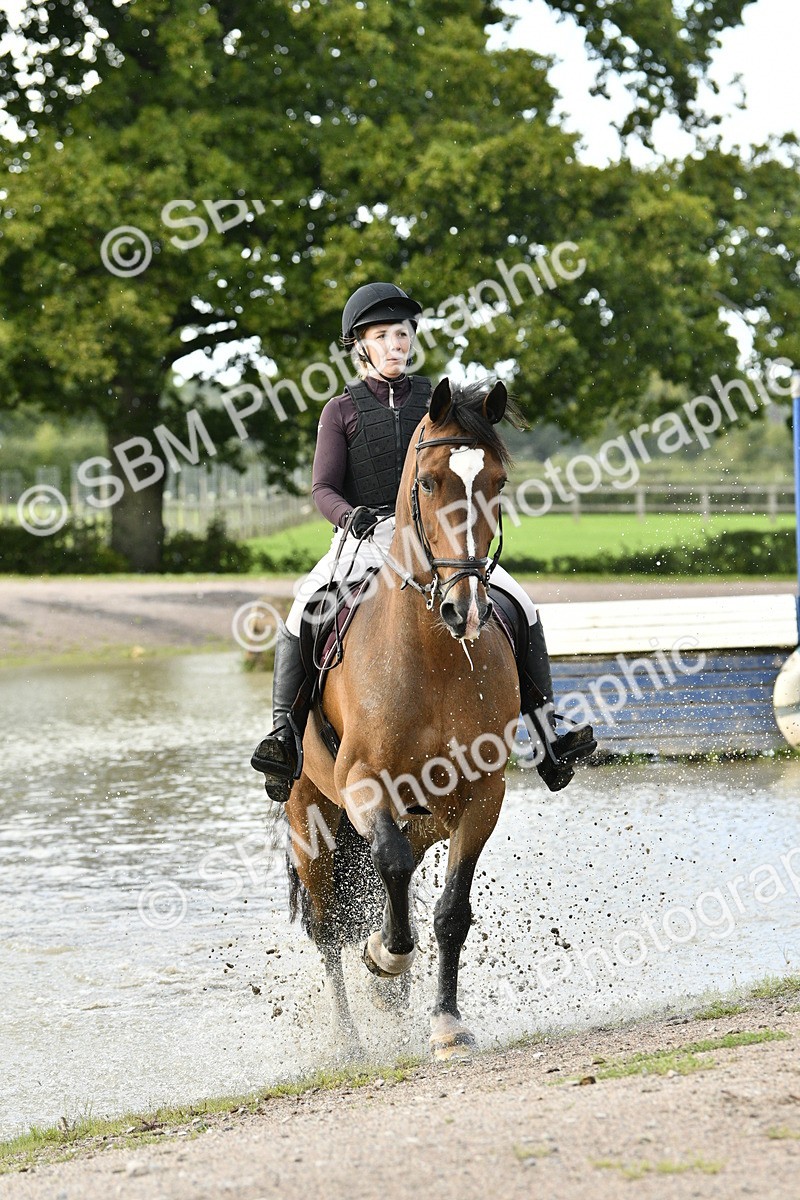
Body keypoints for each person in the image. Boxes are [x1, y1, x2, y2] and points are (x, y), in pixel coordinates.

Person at [251, 282, 595, 799]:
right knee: (305, 607)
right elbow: (322, 488)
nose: (397, 345)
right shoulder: (339, 411)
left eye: (404, 334)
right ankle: (285, 738)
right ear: (360, 345)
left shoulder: (438, 402)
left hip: (441, 541)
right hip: (366, 539)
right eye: (385, 336)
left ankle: (546, 730)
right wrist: (352, 518)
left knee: (521, 604)